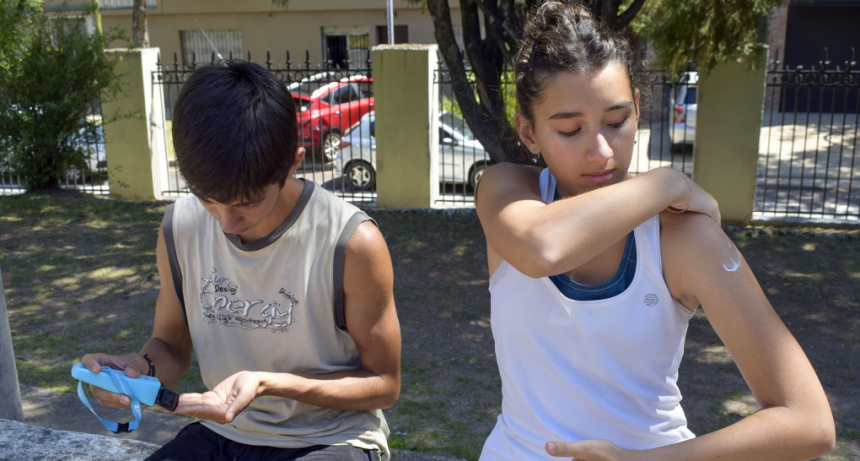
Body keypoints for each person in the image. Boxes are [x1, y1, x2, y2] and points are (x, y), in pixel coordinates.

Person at [475, 3, 835, 460]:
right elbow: (540, 248)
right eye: (569, 130)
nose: (601, 151)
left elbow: (809, 422)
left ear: (639, 109)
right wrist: (667, 181)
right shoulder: (507, 191)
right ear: (528, 132)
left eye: (616, 121)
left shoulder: (680, 237)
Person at [80, 61, 401, 461]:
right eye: (207, 199)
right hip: (222, 433)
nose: (227, 223)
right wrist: (136, 371)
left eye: (248, 203)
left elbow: (385, 384)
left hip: (330, 438)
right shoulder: (179, 225)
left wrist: (271, 383)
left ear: (293, 163)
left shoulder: (351, 240)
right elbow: (170, 344)